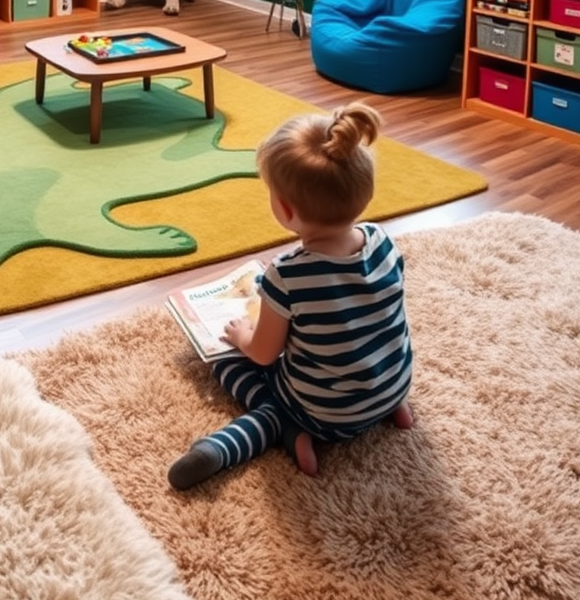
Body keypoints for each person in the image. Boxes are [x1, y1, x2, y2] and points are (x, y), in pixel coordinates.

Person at [168, 101, 413, 490]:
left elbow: (264, 354)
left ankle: (250, 441)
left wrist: (239, 335)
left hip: (326, 413)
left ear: (284, 208)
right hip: (391, 384)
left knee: (229, 362)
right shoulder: (382, 240)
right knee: (351, 353)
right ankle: (388, 405)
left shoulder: (288, 274)